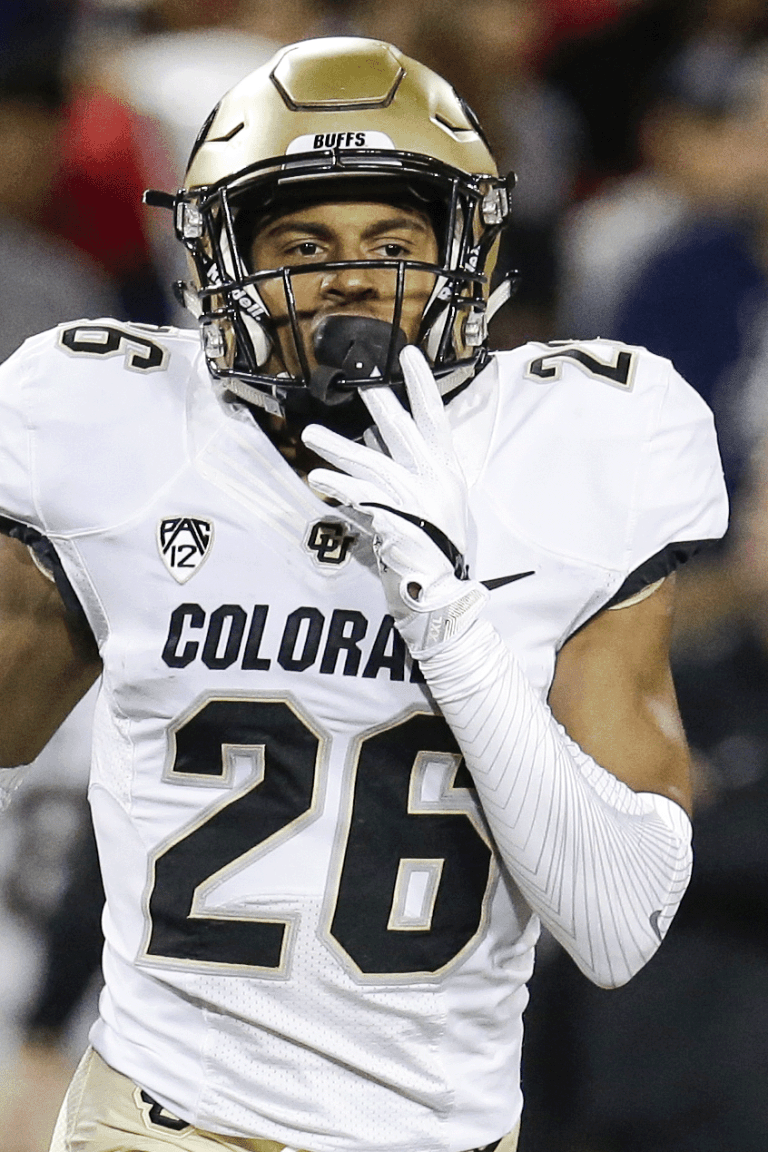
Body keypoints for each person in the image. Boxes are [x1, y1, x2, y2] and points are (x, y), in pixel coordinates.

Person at [0, 35, 727, 1152]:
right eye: (305, 240)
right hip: (157, 1120)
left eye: (395, 239)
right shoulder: (121, 419)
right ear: (221, 260)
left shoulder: (579, 445)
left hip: (438, 1132)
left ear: (467, 253)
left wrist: (448, 609)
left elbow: (619, 922)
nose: (353, 276)